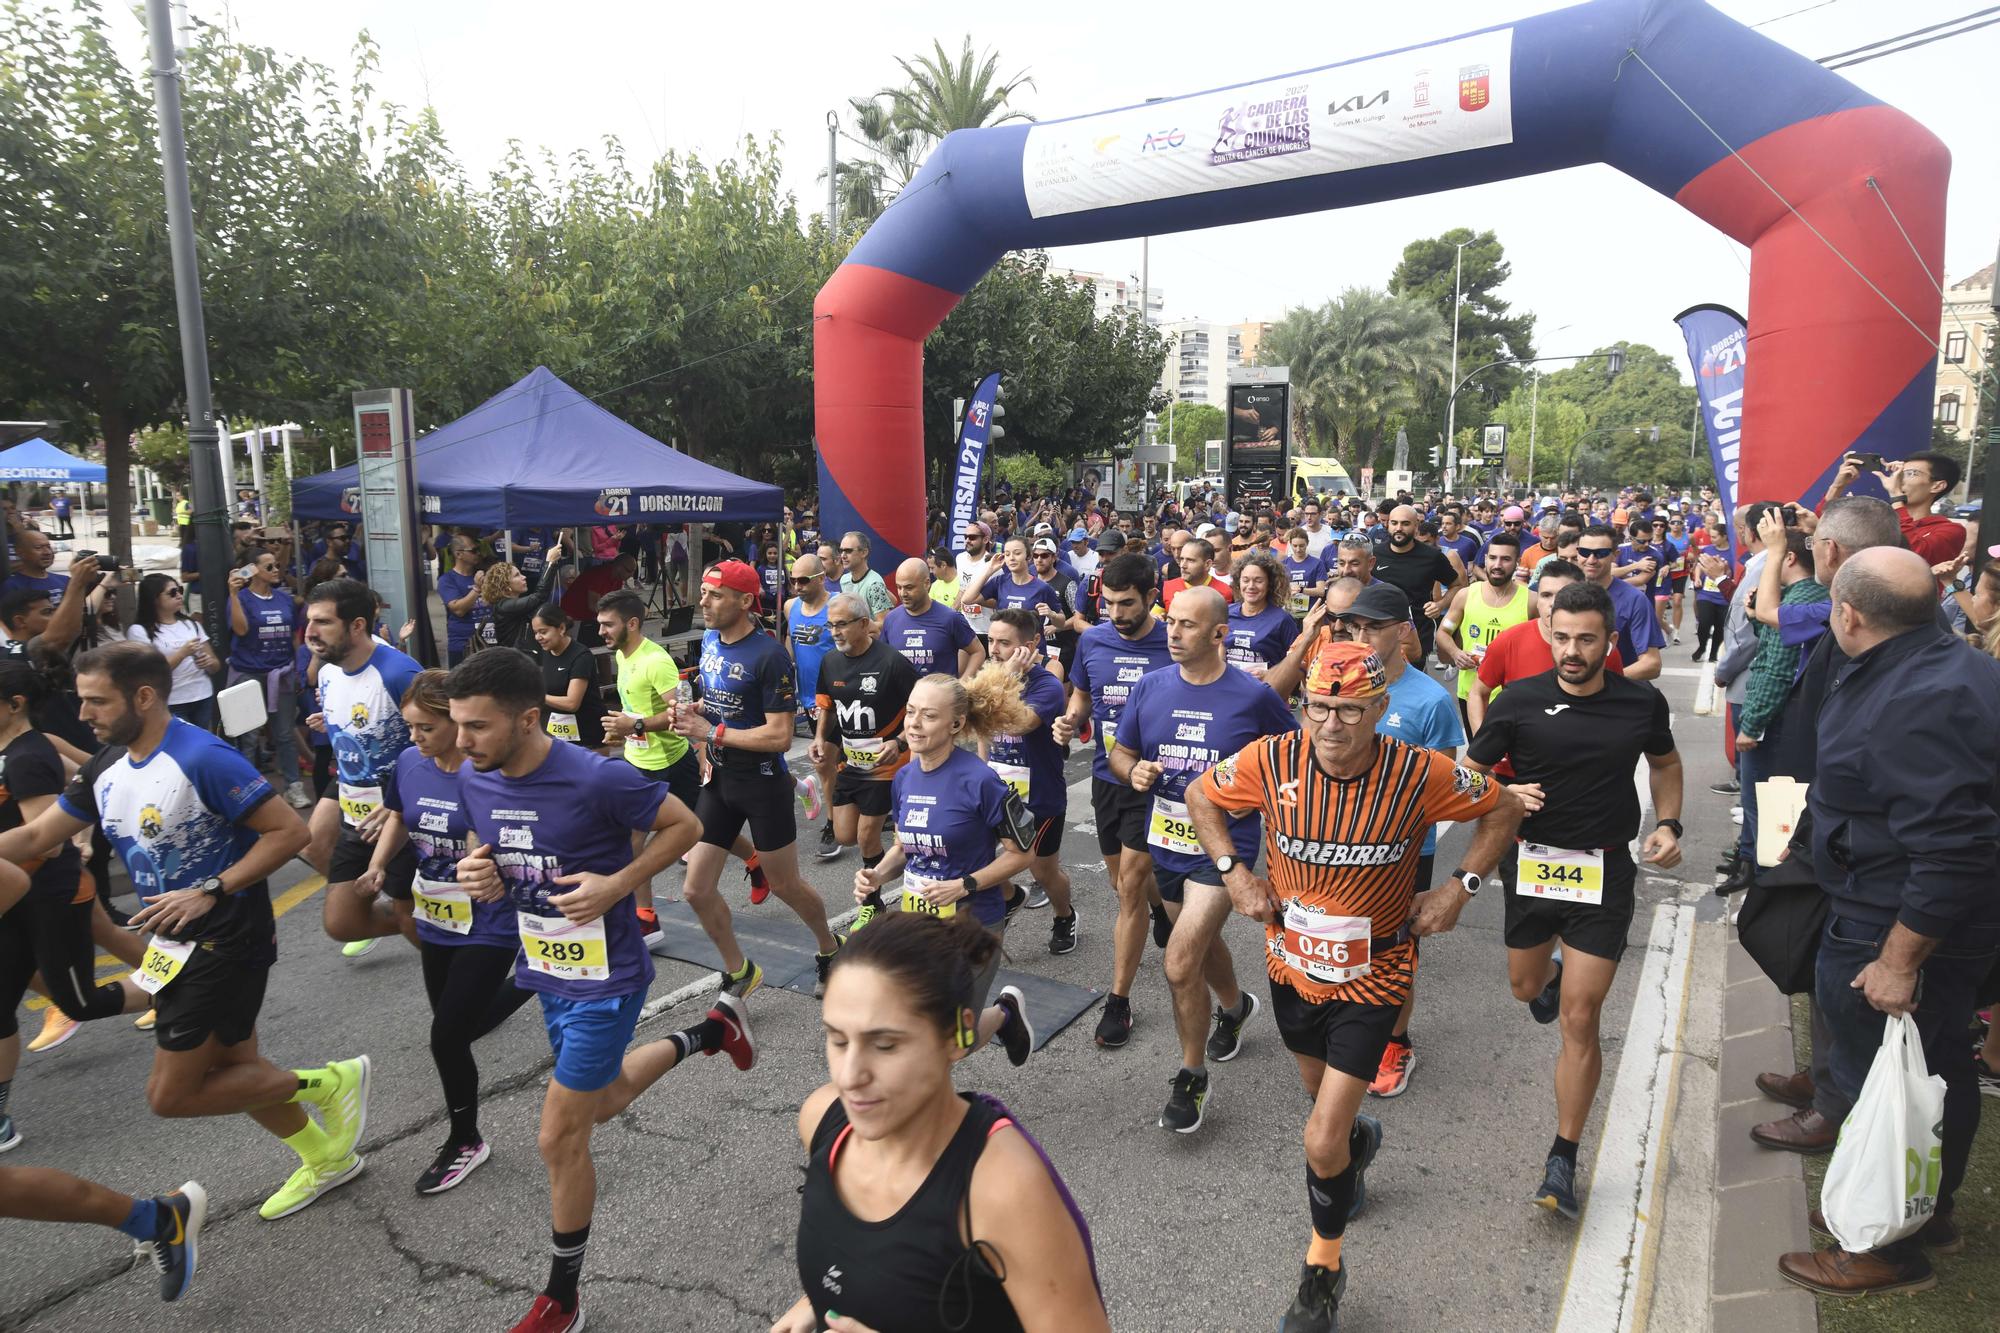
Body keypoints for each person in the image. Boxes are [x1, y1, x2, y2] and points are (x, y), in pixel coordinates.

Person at [1189, 639, 1518, 1332]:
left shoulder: (1420, 771)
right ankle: (1357, 1140)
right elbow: (1201, 793)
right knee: (1325, 1113)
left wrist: (1462, 888)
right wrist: (1232, 869)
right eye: (1318, 707)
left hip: (1378, 974)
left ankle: (1323, 1270)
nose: (1330, 725)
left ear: (1379, 708)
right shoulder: (1271, 759)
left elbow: (1505, 807)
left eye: (1348, 710)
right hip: (1290, 969)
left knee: (1316, 1138)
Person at [0, 641, 372, 1221]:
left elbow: (288, 834)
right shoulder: (105, 765)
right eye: (82, 701)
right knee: (233, 1070)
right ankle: (327, 1158)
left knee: (169, 1096)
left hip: (226, 936)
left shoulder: (203, 757)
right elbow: (31, 838)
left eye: (97, 701)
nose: (83, 714)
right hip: (173, 943)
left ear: (143, 697)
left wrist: (211, 889)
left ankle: (326, 1083)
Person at [445, 649, 750, 1333]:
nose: (461, 742)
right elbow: (481, 832)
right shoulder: (476, 775)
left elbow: (687, 826)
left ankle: (562, 1297)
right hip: (545, 968)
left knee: (559, 1136)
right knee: (605, 1101)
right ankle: (710, 1031)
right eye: (456, 725)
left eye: (476, 727)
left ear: (529, 719)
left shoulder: (596, 777)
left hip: (607, 978)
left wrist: (616, 885)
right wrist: (481, 866)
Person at [1763, 547, 2000, 1296]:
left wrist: (1898, 958)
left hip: (1894, 922)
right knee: (1933, 1072)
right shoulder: (1953, 665)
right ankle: (1922, 1212)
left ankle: (1877, 1245)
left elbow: (1951, 844)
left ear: (1849, 613)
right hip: (1911, 909)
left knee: (1884, 1087)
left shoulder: (1914, 697)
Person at [1463, 580, 1685, 1220]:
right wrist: (1503, 797)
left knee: (1580, 1020)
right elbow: (1471, 778)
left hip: (1605, 871)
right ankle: (1549, 978)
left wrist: (1668, 824)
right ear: (1547, 633)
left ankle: (1563, 1156)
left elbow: (1666, 766)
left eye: (1586, 639)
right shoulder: (1518, 702)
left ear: (1609, 641)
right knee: (1525, 988)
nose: (1571, 650)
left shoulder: (1640, 703)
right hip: (1531, 866)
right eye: (1561, 637)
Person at [774, 910, 1107, 1333]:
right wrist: (820, 1299)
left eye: (886, 1044)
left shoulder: (1002, 1190)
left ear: (956, 1036)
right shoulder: (822, 1121)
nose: (849, 1076)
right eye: (837, 1039)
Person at [1114, 587, 1298, 1133]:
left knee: (1178, 959)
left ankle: (1191, 1075)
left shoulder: (1253, 697)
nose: (1173, 632)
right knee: (1201, 942)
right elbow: (1122, 750)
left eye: (1188, 625)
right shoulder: (1150, 686)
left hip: (1225, 848)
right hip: (1167, 841)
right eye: (1170, 621)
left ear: (1220, 634)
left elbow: (1291, 762)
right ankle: (1236, 1007)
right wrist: (1133, 772)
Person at [360, 669, 532, 1193]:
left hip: (489, 920)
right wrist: (377, 863)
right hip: (436, 916)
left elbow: (495, 840)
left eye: (424, 728)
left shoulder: (483, 775)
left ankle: (465, 1140)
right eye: (408, 727)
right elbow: (397, 813)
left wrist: (489, 869)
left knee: (446, 1035)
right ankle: (537, 974)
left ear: (455, 725)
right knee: (458, 1027)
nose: (414, 738)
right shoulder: (410, 762)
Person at [671, 562, 841, 998]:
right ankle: (739, 970)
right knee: (695, 889)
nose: (704, 602)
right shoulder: (710, 641)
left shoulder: (770, 655)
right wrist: (697, 712)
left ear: (745, 601)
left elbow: (780, 736)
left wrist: (710, 732)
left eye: (715, 595)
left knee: (784, 884)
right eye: (704, 593)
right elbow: (721, 700)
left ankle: (829, 947)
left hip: (763, 785)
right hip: (720, 781)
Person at [850, 670, 1037, 1064]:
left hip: (973, 924)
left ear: (955, 724)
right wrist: (876, 876)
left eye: (929, 716)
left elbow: (1024, 854)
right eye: (911, 712)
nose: (914, 724)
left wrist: (965, 885)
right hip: (919, 923)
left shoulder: (981, 781)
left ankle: (1005, 1014)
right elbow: (905, 846)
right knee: (917, 1026)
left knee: (955, 1043)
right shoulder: (903, 778)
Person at [1326, 585, 1467, 1098]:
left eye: (1373, 627)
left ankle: (1395, 1042)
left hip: (1403, 854)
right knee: (1337, 938)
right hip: (1332, 844)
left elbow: (1444, 788)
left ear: (1404, 630)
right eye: (1354, 627)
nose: (1360, 637)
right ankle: (1343, 1027)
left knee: (1395, 953)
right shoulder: (1335, 679)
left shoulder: (1430, 700)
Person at [0, 662, 151, 1098]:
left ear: (15, 705)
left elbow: (43, 841)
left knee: (79, 1002)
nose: (86, 712)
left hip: (51, 895)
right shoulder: (15, 749)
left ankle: (184, 992)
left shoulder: (29, 755)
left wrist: (81, 834)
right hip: (15, 898)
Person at [1054, 553, 1175, 1047]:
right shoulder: (1094, 639)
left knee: (1128, 886)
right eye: (1108, 604)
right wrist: (1069, 720)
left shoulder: (1173, 643)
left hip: (1155, 784)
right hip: (1107, 778)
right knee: (1119, 880)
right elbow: (1084, 699)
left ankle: (1119, 1002)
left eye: (1127, 604)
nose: (1116, 614)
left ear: (1151, 597)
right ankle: (1164, 914)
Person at [304, 578, 426, 959]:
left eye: (323, 622)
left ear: (357, 625)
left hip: (401, 816)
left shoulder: (398, 673)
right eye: (309, 621)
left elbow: (443, 743)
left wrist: (399, 803)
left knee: (412, 918)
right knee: (342, 922)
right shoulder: (327, 672)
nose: (310, 632)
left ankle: (463, 957)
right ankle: (438, 923)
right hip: (354, 811)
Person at [1729, 520, 1826, 892]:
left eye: (1774, 557)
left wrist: (1751, 723)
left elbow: (1776, 669)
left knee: (1768, 814)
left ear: (1787, 558)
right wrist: (1758, 619)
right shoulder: (1808, 596)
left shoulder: (1802, 600)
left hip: (1777, 726)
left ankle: (1765, 890)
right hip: (1794, 724)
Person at [979, 609, 1077, 951]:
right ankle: (1010, 897)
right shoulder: (993, 673)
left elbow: (1020, 723)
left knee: (1043, 872)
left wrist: (1006, 676)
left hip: (1039, 800)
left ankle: (1064, 915)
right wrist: (981, 773)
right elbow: (983, 727)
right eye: (991, 640)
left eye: (1004, 643)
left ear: (1031, 644)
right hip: (997, 794)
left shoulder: (1046, 686)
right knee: (985, 860)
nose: (994, 649)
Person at [814, 593, 919, 905]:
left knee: (865, 836)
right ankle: (895, 858)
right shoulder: (830, 661)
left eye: (842, 625)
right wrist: (820, 738)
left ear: (863, 624)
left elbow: (920, 710)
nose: (835, 632)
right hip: (852, 764)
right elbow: (828, 708)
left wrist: (899, 742)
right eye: (830, 626)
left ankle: (873, 904)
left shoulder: (892, 662)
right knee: (845, 835)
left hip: (888, 766)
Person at [1467, 559, 1626, 739]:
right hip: (1515, 764)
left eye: (1562, 595)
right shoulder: (1508, 641)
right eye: (1546, 595)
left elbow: (1615, 703)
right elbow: (1478, 693)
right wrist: (1484, 746)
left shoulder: (1601, 650)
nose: (1553, 603)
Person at [225, 550, 309, 807]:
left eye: (278, 564)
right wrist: (233, 595)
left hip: (280, 673)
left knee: (284, 733)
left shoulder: (283, 599)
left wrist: (297, 669)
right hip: (249, 674)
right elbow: (240, 629)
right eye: (269, 565)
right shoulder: (242, 598)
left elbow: (295, 637)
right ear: (252, 570)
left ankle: (293, 787)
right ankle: (250, 790)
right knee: (248, 737)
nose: (276, 569)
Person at [1435, 531, 1532, 726]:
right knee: (1477, 751)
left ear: (1517, 561)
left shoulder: (1532, 600)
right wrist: (1455, 653)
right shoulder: (1465, 595)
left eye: (1505, 559)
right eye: (1493, 558)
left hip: (1512, 695)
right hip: (1470, 691)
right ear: (1485, 559)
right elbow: (1443, 632)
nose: (1497, 565)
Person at [1820, 450, 1965, 572]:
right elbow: (1823, 528)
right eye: (1900, 472)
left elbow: (1913, 556)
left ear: (1937, 486)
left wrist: (1896, 495)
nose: (1900, 478)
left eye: (1911, 473)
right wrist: (1837, 486)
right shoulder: (1880, 519)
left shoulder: (1951, 530)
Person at [1371, 505, 1463, 666]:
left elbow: (1457, 585)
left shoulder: (1432, 556)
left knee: (1409, 683)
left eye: (1405, 524)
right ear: (1387, 525)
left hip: (1418, 633)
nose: (1399, 528)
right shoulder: (1374, 554)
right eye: (1394, 523)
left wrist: (1440, 604)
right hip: (1379, 632)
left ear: (1416, 526)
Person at [127, 572, 218, 730]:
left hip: (202, 694)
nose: (178, 596)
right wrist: (182, 653)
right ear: (154, 599)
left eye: (180, 590)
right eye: (172, 593)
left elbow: (216, 665)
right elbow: (151, 673)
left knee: (201, 744)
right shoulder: (139, 631)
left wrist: (208, 663)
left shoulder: (191, 624)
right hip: (171, 700)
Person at [1573, 523, 1663, 679]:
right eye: (1585, 552)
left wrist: (1600, 681)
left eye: (1600, 553)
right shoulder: (1562, 593)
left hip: (1616, 695)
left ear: (1615, 554)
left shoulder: (1634, 600)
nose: (1591, 559)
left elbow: (1652, 664)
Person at [885, 556, 985, 678]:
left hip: (941, 695)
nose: (902, 593)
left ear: (926, 583)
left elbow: (978, 652)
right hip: (903, 696)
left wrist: (962, 685)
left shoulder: (950, 618)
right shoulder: (891, 620)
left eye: (909, 587)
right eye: (899, 587)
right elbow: (883, 660)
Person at [529, 603, 604, 749]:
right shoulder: (546, 651)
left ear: (561, 628)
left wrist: (538, 696)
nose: (538, 637)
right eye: (535, 632)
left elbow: (572, 703)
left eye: (543, 632)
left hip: (588, 738)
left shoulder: (581, 656)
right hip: (557, 737)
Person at [1224, 552, 1301, 679]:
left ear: (1269, 584)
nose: (1251, 586)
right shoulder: (1226, 613)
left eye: (1258, 581)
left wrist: (1270, 674)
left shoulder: (1282, 620)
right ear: (1238, 582)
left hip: (1266, 691)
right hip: (1230, 690)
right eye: (1245, 580)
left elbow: (1298, 663)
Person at [479, 558, 561, 654]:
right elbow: (539, 596)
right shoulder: (504, 606)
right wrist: (550, 563)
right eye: (517, 575)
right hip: (515, 660)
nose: (524, 577)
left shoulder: (510, 604)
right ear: (505, 585)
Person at [836, 531, 895, 629]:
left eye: (848, 551)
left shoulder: (874, 584)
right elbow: (893, 599)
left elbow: (884, 623)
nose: (843, 555)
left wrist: (855, 627)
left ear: (864, 552)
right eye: (841, 550)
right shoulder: (844, 579)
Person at [1160, 536, 1233, 611]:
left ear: (1207, 564)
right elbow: (1155, 615)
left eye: (1190, 560)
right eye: (1182, 559)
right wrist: (1159, 616)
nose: (1183, 566)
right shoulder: (1167, 587)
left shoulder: (1225, 592)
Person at [1281, 529, 1329, 618]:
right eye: (1295, 546)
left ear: (1307, 543)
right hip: (1291, 614)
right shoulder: (1284, 564)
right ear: (1290, 544)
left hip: (1311, 614)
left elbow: (1321, 591)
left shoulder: (1317, 563)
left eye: (1301, 546)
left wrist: (1302, 590)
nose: (1298, 549)